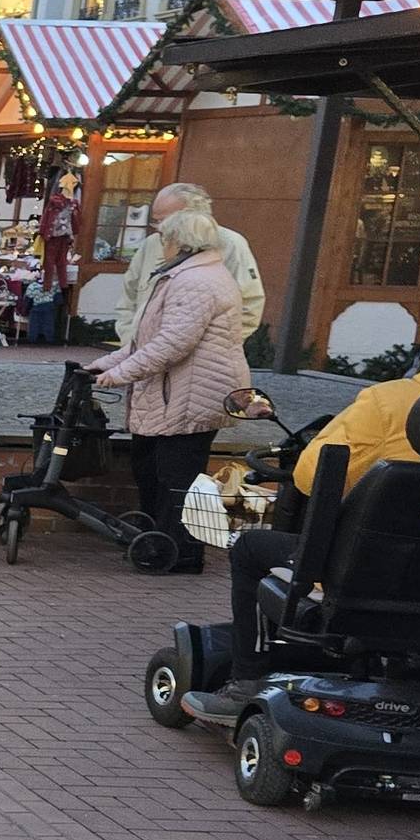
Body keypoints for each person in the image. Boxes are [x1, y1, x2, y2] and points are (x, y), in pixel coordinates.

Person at [191, 292, 420, 719]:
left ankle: (243, 682)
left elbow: (310, 475)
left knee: (250, 550)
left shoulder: (390, 401)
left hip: (374, 578)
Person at [85, 208, 251, 575]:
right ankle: (158, 541)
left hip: (193, 393)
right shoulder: (185, 274)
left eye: (165, 237)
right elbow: (149, 336)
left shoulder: (196, 281)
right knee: (152, 468)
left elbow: (174, 343)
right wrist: (109, 363)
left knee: (177, 478)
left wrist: (120, 374)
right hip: (178, 391)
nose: (162, 244)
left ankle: (181, 553)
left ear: (181, 241)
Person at [116, 183, 264, 347]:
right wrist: (130, 341)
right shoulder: (151, 243)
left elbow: (249, 306)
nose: (160, 229)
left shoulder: (231, 244)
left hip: (197, 360)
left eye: (165, 220)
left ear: (195, 215)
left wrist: (211, 348)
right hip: (144, 356)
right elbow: (129, 298)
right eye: (156, 221)